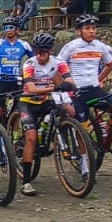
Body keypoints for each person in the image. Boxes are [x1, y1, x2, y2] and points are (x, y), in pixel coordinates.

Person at [16, 30, 72, 197]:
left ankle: (63, 139)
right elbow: (31, 88)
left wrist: (68, 85)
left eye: (42, 52)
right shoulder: (29, 64)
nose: (39, 55)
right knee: (31, 138)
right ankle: (26, 182)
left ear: (50, 51)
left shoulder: (59, 62)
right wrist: (53, 88)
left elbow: (69, 79)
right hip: (28, 102)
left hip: (47, 101)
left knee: (69, 110)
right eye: (36, 51)